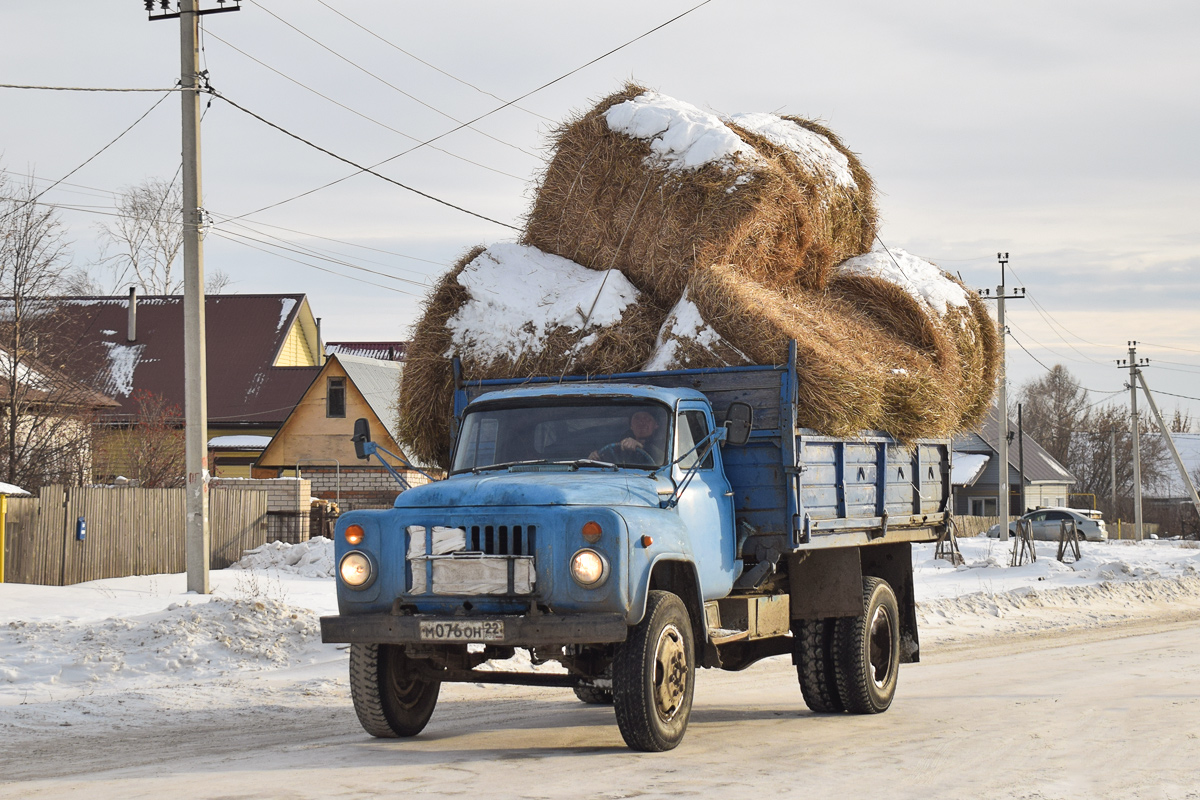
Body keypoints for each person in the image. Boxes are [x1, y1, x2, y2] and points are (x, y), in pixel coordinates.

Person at [589, 409, 664, 465]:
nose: (641, 422)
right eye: (637, 418)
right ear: (631, 426)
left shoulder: (666, 446)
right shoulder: (616, 449)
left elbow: (662, 465)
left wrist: (641, 448)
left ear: (656, 425)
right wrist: (594, 458)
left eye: (647, 419)